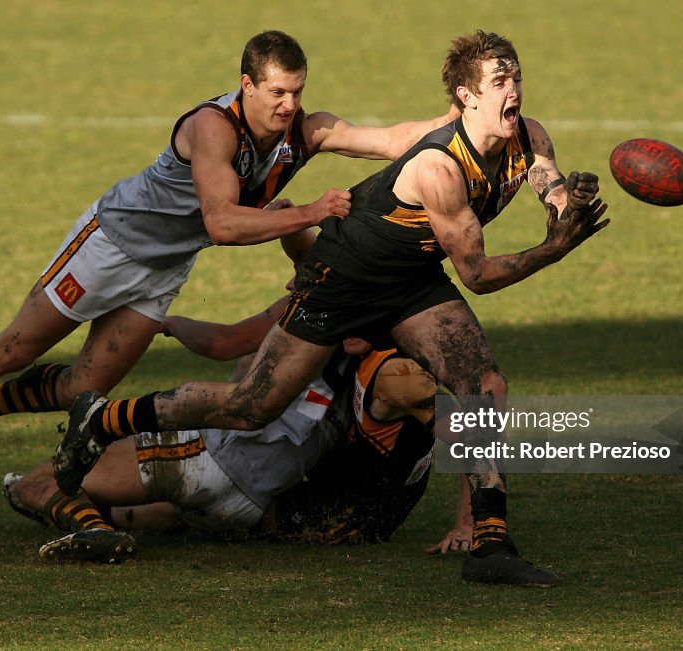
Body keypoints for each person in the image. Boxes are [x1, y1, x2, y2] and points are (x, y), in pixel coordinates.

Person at [53, 30, 609, 586]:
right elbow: (478, 275)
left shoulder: (529, 136)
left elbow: (551, 188)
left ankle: (490, 546)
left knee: (484, 383)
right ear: (467, 96)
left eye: (516, 79)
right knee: (251, 407)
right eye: (500, 82)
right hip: (342, 277)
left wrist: (568, 205)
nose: (514, 91)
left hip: (411, 280)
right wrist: (551, 250)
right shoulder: (440, 168)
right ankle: (103, 417)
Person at [0, 30, 458, 525]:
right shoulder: (214, 128)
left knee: (82, 390)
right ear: (247, 84)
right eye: (276, 91)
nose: (288, 105)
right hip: (112, 244)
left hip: (162, 270)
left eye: (297, 92)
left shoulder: (303, 130)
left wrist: (460, 119)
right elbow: (222, 223)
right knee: (13, 348)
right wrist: (310, 212)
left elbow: (388, 139)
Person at [3, 295, 460, 562]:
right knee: (137, 511)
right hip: (259, 506)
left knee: (35, 485)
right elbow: (228, 341)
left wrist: (477, 522)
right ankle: (100, 521)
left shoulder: (389, 369)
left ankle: (90, 528)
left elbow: (475, 427)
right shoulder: (346, 331)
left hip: (216, 461)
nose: (293, 284)